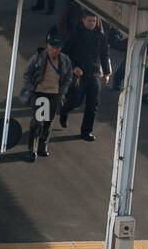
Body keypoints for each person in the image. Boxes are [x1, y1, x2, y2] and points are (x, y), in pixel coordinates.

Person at [20, 35, 74, 162]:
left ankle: (42, 147)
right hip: (41, 93)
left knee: (48, 123)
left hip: (55, 95)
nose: (54, 50)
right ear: (48, 46)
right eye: (52, 47)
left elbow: (68, 77)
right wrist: (32, 88)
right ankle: (31, 150)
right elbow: (26, 74)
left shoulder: (64, 60)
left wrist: (62, 91)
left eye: (57, 48)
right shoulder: (38, 58)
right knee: (38, 122)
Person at [59, 11, 112, 141]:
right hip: (78, 74)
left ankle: (86, 131)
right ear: (83, 20)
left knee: (93, 103)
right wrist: (73, 68)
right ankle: (64, 110)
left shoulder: (100, 36)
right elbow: (65, 54)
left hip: (93, 73)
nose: (92, 23)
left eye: (94, 21)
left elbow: (104, 54)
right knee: (76, 100)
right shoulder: (75, 34)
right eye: (89, 21)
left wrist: (106, 72)